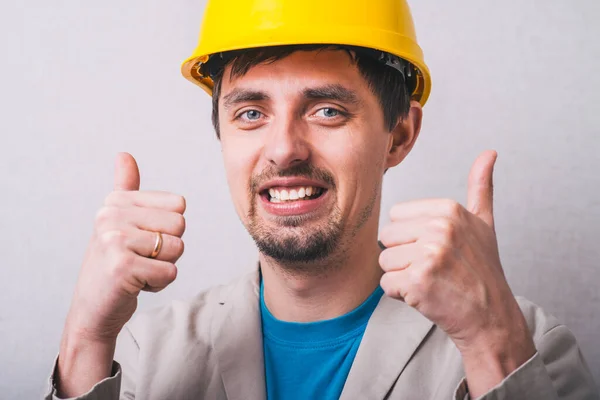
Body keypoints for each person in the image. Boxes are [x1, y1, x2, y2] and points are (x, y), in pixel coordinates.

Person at [45, 0, 599, 399]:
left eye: (327, 110)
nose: (284, 149)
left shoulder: (523, 345)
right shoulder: (139, 358)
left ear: (399, 135)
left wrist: (492, 344)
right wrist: (85, 337)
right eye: (251, 113)